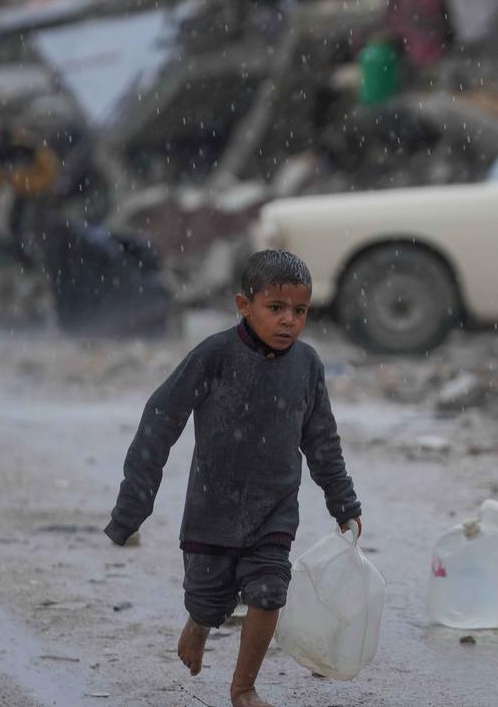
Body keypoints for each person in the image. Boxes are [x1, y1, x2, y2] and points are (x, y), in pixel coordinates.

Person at [104, 250, 363, 707]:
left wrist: (344, 505)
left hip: (274, 508)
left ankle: (243, 687)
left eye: (299, 311)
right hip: (212, 507)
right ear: (244, 305)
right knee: (208, 597)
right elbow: (161, 418)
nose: (288, 321)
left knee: (269, 590)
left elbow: (322, 440)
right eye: (276, 308)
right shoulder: (214, 355)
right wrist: (134, 503)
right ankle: (199, 623)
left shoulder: (307, 365)